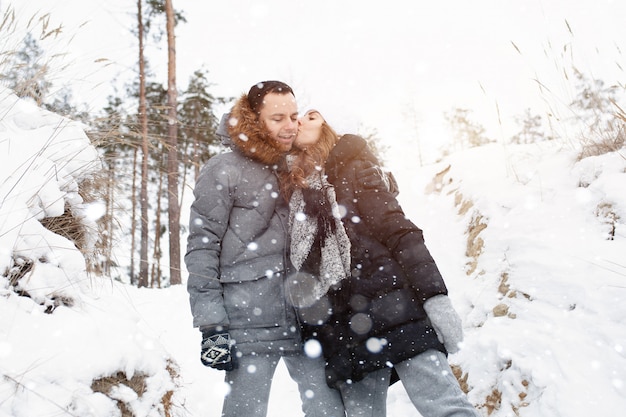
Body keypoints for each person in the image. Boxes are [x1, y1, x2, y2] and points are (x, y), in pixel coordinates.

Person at [282, 109, 480, 417]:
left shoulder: (355, 169)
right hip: (344, 328)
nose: (300, 123)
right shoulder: (296, 193)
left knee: (447, 408)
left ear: (330, 124)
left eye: (312, 115)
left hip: (397, 311)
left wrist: (435, 299)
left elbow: (399, 232)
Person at [184, 82, 346, 417]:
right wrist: (212, 324)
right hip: (248, 319)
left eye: (293, 115)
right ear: (255, 120)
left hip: (307, 318)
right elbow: (202, 245)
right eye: (277, 118)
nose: (290, 125)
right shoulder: (224, 168)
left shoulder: (303, 164)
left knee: (329, 411)